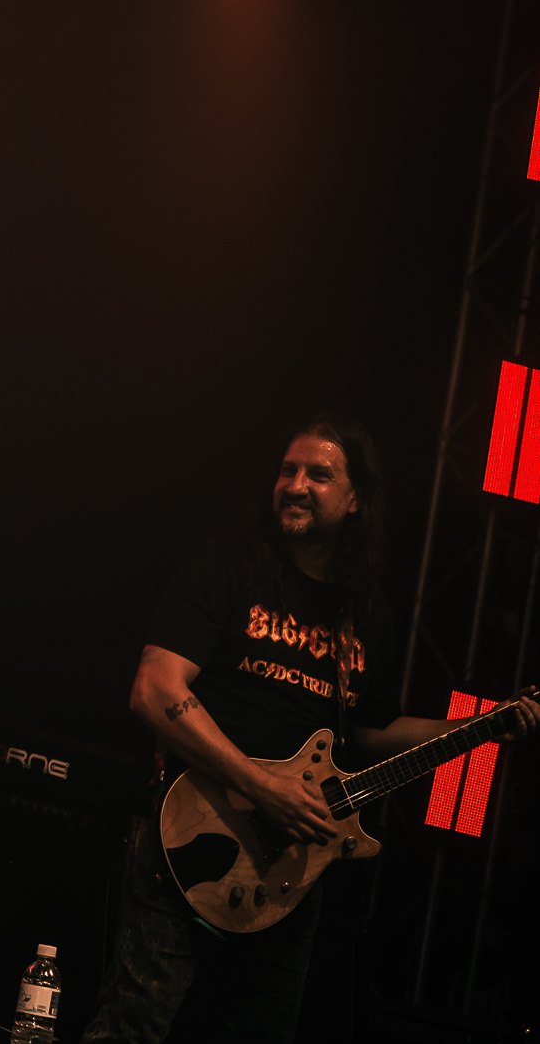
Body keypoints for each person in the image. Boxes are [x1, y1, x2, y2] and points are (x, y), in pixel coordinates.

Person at [82, 415, 539, 1044]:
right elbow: (154, 689)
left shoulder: (365, 611)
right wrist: (264, 788)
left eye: (318, 475)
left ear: (356, 501)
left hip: (290, 872)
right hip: (188, 834)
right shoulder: (226, 564)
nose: (295, 485)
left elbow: (373, 730)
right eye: (288, 470)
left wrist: (477, 728)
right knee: (133, 1029)